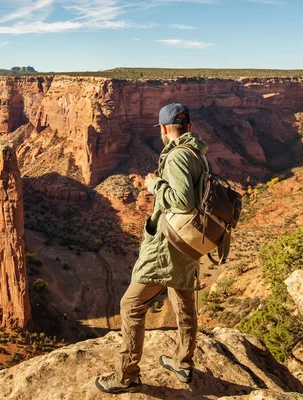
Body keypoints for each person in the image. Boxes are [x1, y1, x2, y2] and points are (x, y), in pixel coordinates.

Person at [95, 103, 209, 394]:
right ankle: (183, 362)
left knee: (131, 305)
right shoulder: (198, 152)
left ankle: (127, 376)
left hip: (168, 243)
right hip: (188, 239)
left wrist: (154, 183)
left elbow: (182, 200)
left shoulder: (177, 156)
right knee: (183, 300)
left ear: (163, 129)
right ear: (189, 127)